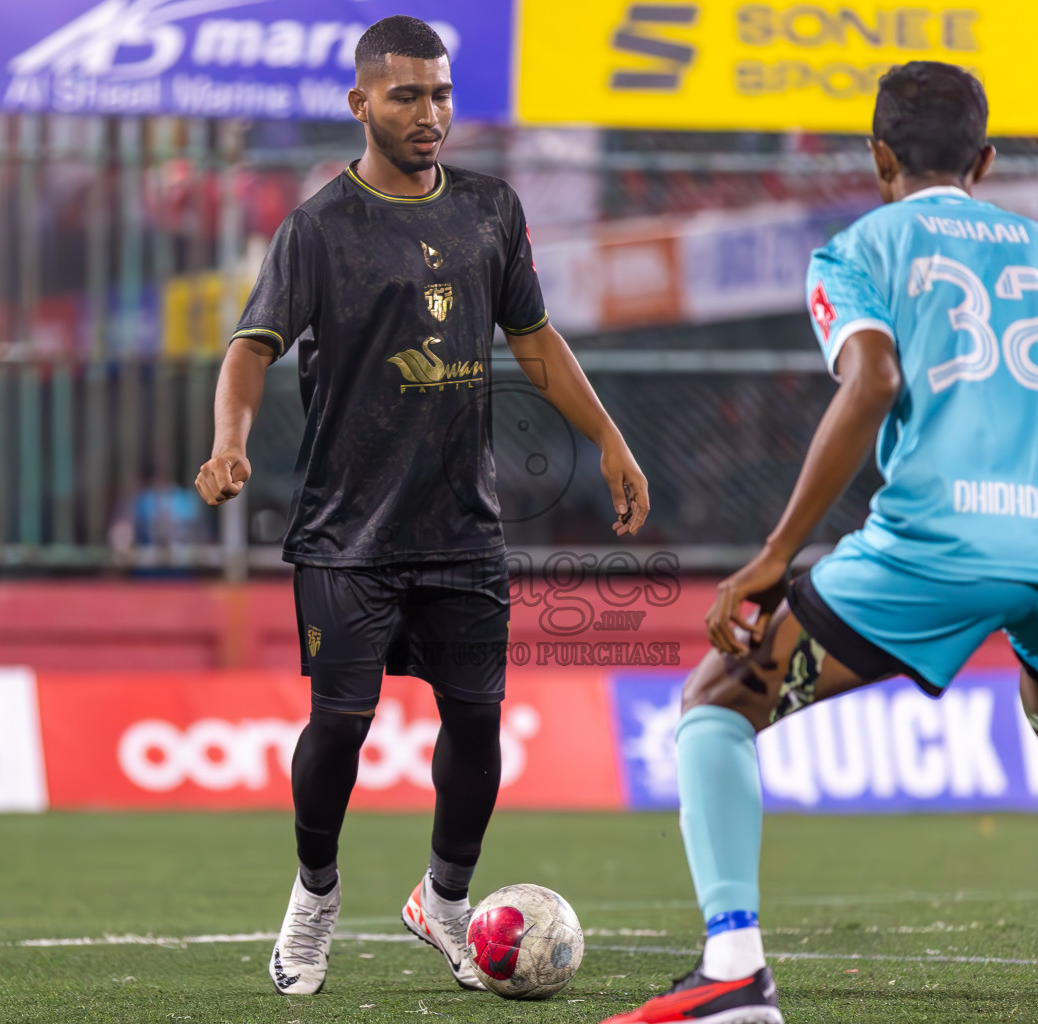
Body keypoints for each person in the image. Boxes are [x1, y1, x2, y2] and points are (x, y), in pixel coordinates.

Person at [607, 62, 1038, 1024]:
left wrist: (778, 551)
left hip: (936, 544)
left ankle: (733, 972)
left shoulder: (858, 251)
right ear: (986, 161)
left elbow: (871, 384)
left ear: (878, 156)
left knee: (717, 704)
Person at [195, 15, 650, 996]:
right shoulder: (319, 229)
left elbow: (534, 340)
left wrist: (609, 436)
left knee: (479, 720)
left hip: (461, 528)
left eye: (441, 94)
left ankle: (444, 898)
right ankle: (315, 892)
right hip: (345, 533)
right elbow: (249, 348)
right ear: (361, 104)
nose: (430, 113)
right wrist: (230, 443)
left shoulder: (491, 209)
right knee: (341, 723)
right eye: (406, 96)